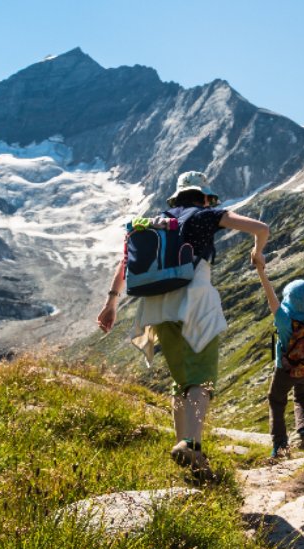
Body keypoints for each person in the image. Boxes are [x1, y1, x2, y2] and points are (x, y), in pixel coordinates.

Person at [97, 171, 269, 481]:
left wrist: (111, 303)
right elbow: (260, 227)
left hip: (158, 307)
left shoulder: (154, 223)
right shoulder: (207, 214)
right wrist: (257, 250)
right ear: (204, 196)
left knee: (181, 381)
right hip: (196, 302)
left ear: (176, 197)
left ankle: (185, 448)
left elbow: (125, 263)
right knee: (201, 380)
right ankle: (191, 444)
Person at [254, 249, 304, 458]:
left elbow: (270, 295)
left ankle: (280, 445)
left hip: (285, 368)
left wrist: (261, 271)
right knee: (302, 396)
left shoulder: (284, 318)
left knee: (276, 400)